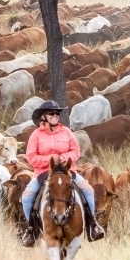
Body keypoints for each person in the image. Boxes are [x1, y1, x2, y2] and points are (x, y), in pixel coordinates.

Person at [19, 100, 104, 246]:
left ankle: (92, 224)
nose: (55, 115)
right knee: (27, 197)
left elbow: (76, 151)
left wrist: (66, 157)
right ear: (43, 116)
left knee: (89, 191)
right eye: (52, 113)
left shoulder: (66, 132)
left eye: (57, 113)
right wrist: (49, 159)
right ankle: (31, 230)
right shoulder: (36, 135)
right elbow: (31, 157)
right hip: (43, 172)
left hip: (67, 171)